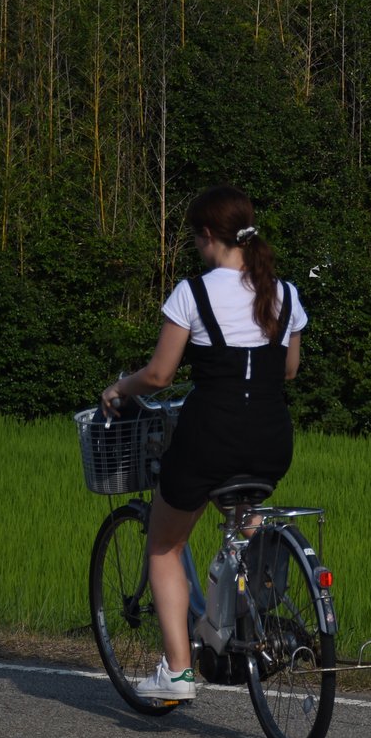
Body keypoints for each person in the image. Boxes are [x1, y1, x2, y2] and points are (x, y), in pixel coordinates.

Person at [99, 185, 308, 701]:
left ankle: (178, 671)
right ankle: (243, 631)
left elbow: (159, 375)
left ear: (209, 235)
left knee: (165, 545)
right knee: (241, 528)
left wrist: (119, 388)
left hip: (209, 438)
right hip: (271, 441)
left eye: (195, 238)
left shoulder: (192, 294)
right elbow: (289, 370)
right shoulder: (283, 293)